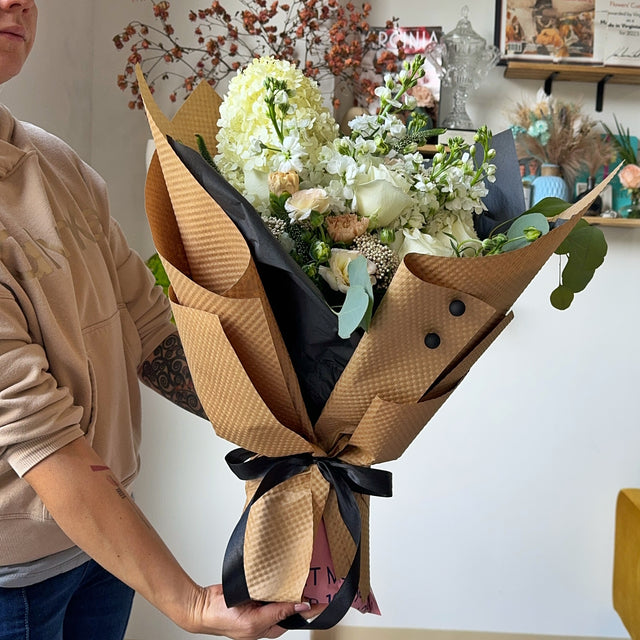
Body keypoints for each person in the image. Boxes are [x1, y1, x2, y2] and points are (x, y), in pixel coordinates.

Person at [0, 1, 314, 638]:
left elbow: (149, 329)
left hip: (100, 560)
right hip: (13, 589)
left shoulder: (58, 165)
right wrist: (190, 605)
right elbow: (41, 439)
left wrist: (295, 423)